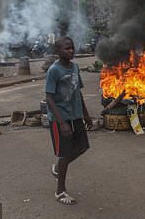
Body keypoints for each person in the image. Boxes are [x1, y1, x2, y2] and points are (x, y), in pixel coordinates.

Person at [45, 36, 92, 205]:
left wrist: (86, 114)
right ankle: (60, 191)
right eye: (66, 48)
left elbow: (78, 92)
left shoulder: (75, 67)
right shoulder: (54, 71)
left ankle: (58, 168)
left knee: (83, 147)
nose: (71, 50)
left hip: (76, 116)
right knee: (64, 154)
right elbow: (49, 98)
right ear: (58, 52)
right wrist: (62, 123)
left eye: (72, 47)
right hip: (61, 118)